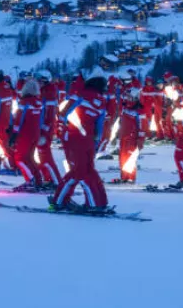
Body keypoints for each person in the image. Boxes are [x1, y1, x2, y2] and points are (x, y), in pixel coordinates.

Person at [51, 69, 111, 213]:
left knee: (78, 172)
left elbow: (63, 114)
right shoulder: (102, 102)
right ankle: (100, 201)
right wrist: (95, 144)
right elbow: (100, 127)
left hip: (73, 138)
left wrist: (61, 132)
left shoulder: (80, 95)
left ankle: (62, 202)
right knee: (89, 171)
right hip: (88, 141)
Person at [11, 79, 46, 191]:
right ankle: (38, 179)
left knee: (19, 158)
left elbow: (18, 120)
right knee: (30, 158)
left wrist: (14, 134)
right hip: (35, 134)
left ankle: (30, 180)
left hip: (24, 134)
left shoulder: (24, 103)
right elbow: (41, 119)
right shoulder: (39, 103)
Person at [37, 72, 63, 188]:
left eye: (40, 81)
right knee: (41, 155)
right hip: (42, 127)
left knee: (46, 155)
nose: (38, 83)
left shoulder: (49, 92)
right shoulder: (44, 91)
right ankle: (47, 178)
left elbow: (50, 113)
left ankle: (56, 181)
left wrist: (44, 128)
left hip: (45, 129)